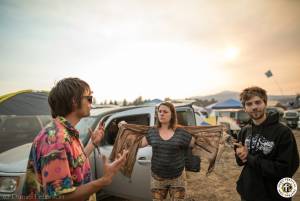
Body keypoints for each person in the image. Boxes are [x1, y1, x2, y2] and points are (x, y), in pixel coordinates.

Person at [22, 78, 128, 201]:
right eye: (89, 98)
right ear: (74, 101)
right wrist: (104, 180)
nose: (91, 103)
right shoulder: (56, 138)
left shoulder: (65, 132)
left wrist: (93, 143)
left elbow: (75, 163)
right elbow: (60, 197)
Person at [119, 101, 195, 201]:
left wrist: (196, 136)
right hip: (157, 178)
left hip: (177, 177)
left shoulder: (181, 132)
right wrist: (126, 129)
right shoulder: (152, 132)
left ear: (172, 114)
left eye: (165, 112)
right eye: (160, 111)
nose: (162, 113)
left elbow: (193, 143)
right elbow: (139, 144)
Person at [234, 86, 299, 201]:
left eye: (257, 102)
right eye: (249, 104)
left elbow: (286, 169)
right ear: (244, 108)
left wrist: (250, 158)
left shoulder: (283, 132)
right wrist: (240, 154)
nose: (254, 107)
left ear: (265, 103)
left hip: (275, 195)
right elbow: (240, 162)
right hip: (249, 193)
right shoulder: (244, 131)